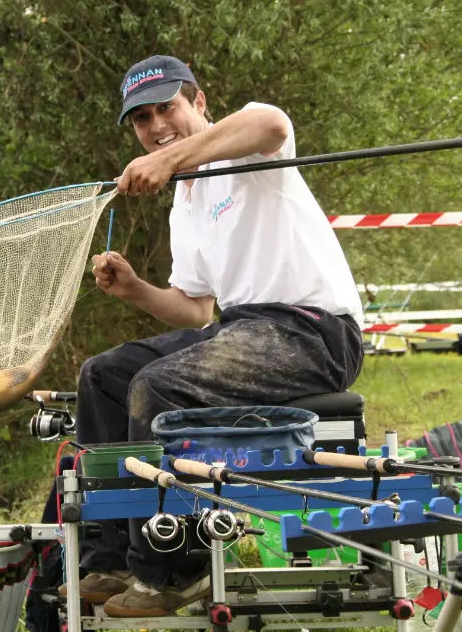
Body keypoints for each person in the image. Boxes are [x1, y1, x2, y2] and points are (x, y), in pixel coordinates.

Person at [66, 54, 365, 618]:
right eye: (142, 119)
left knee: (157, 387)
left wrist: (174, 156)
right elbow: (196, 310)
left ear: (198, 101)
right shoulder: (186, 202)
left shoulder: (249, 145)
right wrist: (133, 289)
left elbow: (272, 122)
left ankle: (176, 572)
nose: (157, 127)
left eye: (167, 108)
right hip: (243, 329)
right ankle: (113, 560)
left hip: (315, 333)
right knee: (103, 377)